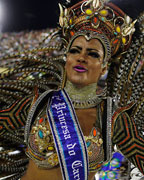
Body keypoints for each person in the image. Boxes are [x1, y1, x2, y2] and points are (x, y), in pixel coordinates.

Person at [0, 0, 143, 180]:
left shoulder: (112, 119)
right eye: (75, 50)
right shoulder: (37, 103)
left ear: (104, 67)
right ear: (66, 58)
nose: (81, 57)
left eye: (93, 54)